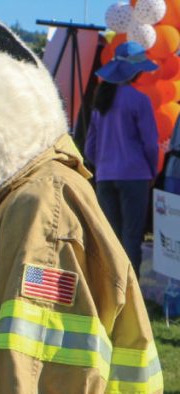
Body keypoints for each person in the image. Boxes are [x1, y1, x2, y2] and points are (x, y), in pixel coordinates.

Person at [84, 41, 160, 272]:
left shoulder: (100, 102)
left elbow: (89, 149)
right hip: (134, 176)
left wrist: (106, 165)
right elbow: (150, 143)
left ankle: (110, 290)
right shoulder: (139, 100)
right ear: (135, 71)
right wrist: (152, 171)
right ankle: (130, 292)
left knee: (110, 236)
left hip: (105, 177)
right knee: (131, 236)